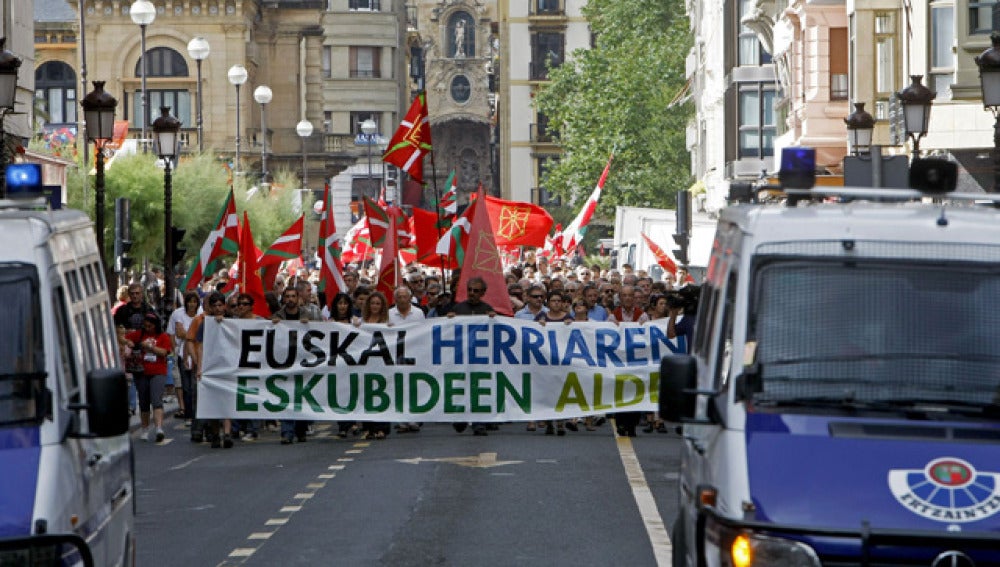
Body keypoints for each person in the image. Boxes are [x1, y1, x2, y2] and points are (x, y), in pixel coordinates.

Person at [272, 287, 321, 444]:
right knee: (286, 396)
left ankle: (301, 430)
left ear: (298, 298)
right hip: (285, 362)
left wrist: (308, 325)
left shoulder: (307, 314)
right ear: (284, 299)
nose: (290, 299)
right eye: (288, 296)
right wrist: (274, 325)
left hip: (303, 361)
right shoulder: (278, 316)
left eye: (293, 296)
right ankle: (287, 432)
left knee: (301, 396)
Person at [447, 276, 495, 435]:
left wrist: (494, 319)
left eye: (476, 291)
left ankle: (478, 422)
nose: (472, 293)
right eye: (469, 290)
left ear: (483, 293)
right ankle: (460, 417)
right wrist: (449, 320)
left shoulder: (488, 309)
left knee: (479, 387)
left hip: (481, 356)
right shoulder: (458, 309)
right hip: (461, 355)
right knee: (461, 386)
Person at [123, 313, 173, 443]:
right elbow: (121, 337)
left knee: (157, 400)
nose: (147, 328)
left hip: (158, 371)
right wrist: (127, 341)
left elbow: (164, 352)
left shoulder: (163, 337)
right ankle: (145, 429)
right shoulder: (139, 334)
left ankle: (159, 429)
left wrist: (150, 347)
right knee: (144, 402)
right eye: (145, 326)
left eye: (150, 326)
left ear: (155, 325)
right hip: (141, 371)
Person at [356, 291, 392, 440]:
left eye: (378, 303)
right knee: (366, 395)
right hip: (365, 364)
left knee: (382, 395)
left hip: (381, 364)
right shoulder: (360, 322)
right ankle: (369, 427)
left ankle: (382, 427)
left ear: (382, 306)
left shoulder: (387, 322)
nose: (375, 306)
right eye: (372, 303)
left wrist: (391, 329)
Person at [167, 291, 201, 422]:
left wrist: (185, 334)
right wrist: (175, 349)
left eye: (194, 302)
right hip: (182, 354)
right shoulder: (177, 314)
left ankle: (196, 414)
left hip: (197, 354)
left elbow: (194, 336)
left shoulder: (200, 315)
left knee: (194, 386)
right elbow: (172, 332)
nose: (192, 304)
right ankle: (188, 414)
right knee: (185, 386)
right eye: (189, 301)